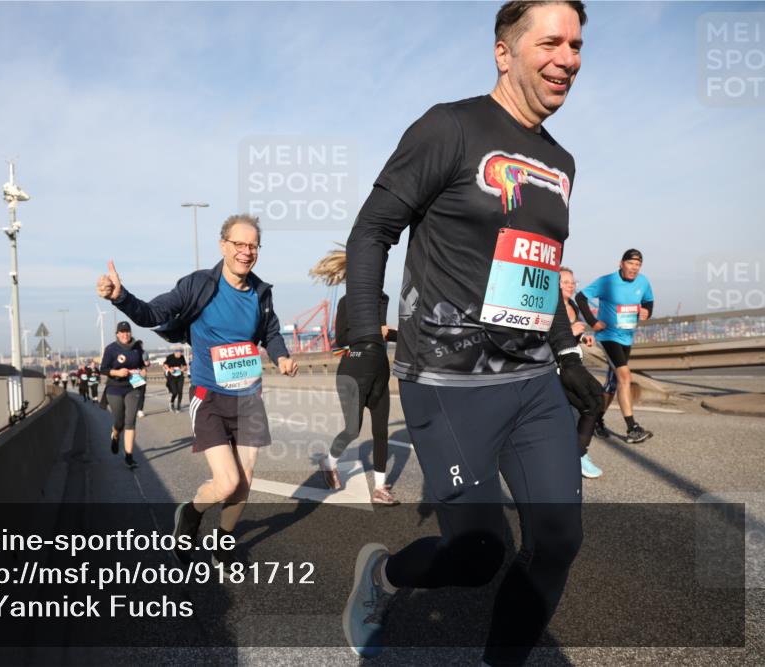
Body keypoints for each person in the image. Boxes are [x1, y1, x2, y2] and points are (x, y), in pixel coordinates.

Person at [340, 2, 603, 664]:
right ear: (503, 52)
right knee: (479, 553)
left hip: (532, 379)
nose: (567, 59)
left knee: (557, 541)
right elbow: (372, 229)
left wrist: (568, 355)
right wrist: (366, 338)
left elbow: (538, 269)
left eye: (576, 45)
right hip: (447, 380)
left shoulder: (562, 161)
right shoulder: (449, 127)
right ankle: (384, 575)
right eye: (551, 43)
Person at [97, 214, 298, 568]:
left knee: (245, 482)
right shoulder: (199, 286)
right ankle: (190, 515)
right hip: (210, 396)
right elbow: (153, 313)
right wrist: (121, 298)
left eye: (253, 245)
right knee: (227, 482)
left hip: (249, 396)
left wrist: (281, 357)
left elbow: (271, 332)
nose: (246, 251)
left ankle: (222, 545)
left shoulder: (260, 293)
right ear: (223, 245)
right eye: (239, 244)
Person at [309, 248, 399, 505]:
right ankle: (329, 462)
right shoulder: (347, 302)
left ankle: (380, 488)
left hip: (380, 370)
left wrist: (399, 335)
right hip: (353, 369)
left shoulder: (382, 298)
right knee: (352, 429)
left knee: (381, 431)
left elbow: (383, 334)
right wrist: (372, 331)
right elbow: (340, 344)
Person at [574, 249, 655, 444]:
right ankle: (632, 428)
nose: (634, 268)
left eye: (638, 264)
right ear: (621, 263)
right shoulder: (607, 281)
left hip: (627, 337)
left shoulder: (643, 282)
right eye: (630, 263)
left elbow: (648, 301)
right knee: (625, 376)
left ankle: (596, 421)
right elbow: (581, 297)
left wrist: (647, 311)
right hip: (608, 336)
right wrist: (593, 322)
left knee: (612, 383)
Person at [560, 267, 601, 478]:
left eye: (573, 282)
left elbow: (573, 335)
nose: (571, 285)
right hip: (561, 365)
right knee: (590, 405)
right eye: (565, 282)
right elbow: (550, 337)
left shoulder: (572, 306)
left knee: (583, 408)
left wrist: (584, 338)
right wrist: (571, 332)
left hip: (574, 362)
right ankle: (578, 454)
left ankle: (577, 452)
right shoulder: (552, 308)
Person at [100, 321, 146, 468]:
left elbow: (142, 365)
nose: (125, 334)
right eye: (122, 332)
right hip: (114, 389)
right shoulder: (111, 349)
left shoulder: (137, 348)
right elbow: (103, 369)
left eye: (127, 331)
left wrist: (143, 371)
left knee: (130, 422)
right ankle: (115, 434)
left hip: (133, 388)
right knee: (119, 421)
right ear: (117, 334)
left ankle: (129, 457)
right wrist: (117, 372)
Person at [136, 349, 151, 418]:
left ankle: (140, 410)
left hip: (142, 377)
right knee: (133, 395)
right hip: (133, 377)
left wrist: (147, 363)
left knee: (141, 394)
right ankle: (133, 409)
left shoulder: (144, 353)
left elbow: (148, 363)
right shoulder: (130, 352)